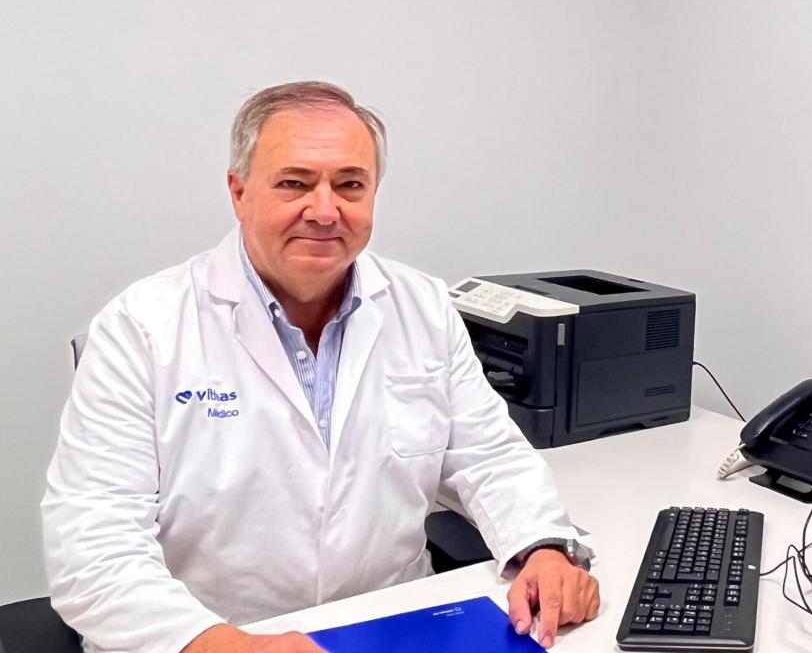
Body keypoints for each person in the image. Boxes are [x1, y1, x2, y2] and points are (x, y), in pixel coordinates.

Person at [42, 81, 600, 653]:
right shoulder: (142, 327)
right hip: (205, 637)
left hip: (390, 625)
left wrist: (544, 548)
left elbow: (490, 457)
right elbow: (92, 546)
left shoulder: (422, 307)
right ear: (239, 192)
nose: (325, 210)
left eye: (350, 185)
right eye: (294, 183)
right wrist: (230, 645)